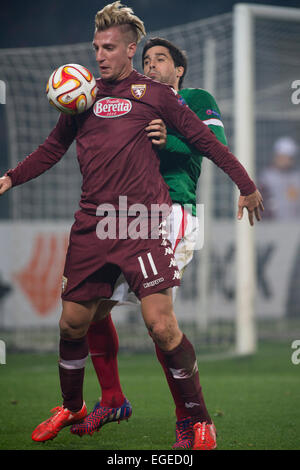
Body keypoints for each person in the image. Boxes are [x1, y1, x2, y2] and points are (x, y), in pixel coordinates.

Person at [0, 1, 263, 450]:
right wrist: (9, 177)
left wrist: (245, 183)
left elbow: (205, 140)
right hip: (93, 225)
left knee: (160, 324)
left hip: (144, 222)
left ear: (129, 47)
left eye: (109, 47)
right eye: (96, 47)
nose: (100, 55)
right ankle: (74, 405)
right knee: (71, 324)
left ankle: (199, 420)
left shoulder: (156, 95)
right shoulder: (83, 97)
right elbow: (50, 149)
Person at [70, 36, 229, 450]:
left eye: (161, 59)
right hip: (124, 218)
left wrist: (169, 139)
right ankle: (113, 399)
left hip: (172, 212)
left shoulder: (194, 97)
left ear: (179, 70)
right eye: (146, 59)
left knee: (159, 322)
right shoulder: (136, 101)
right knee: (90, 308)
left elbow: (217, 146)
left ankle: (191, 420)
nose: (152, 65)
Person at [259, 136, 300, 219]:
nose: (286, 161)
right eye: (283, 157)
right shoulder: (266, 177)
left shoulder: (296, 177)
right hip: (273, 226)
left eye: (289, 158)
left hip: (295, 224)